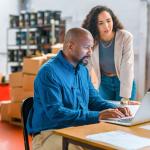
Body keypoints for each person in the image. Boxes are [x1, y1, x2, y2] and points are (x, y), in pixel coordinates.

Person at [27, 27, 131, 150]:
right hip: (49, 134)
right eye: (87, 47)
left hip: (76, 129)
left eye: (92, 48)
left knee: (113, 143)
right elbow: (55, 113)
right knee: (84, 148)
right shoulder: (48, 72)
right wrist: (97, 116)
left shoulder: (82, 71)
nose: (91, 52)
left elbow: (94, 101)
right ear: (70, 46)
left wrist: (117, 109)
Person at [82, 6, 136, 103]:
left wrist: (125, 96)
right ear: (95, 25)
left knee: (125, 113)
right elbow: (86, 67)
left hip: (124, 81)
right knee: (107, 114)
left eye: (108, 21)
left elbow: (127, 66)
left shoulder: (125, 37)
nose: (106, 26)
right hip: (104, 83)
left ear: (113, 20)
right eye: (101, 23)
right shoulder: (91, 40)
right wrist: (83, 92)